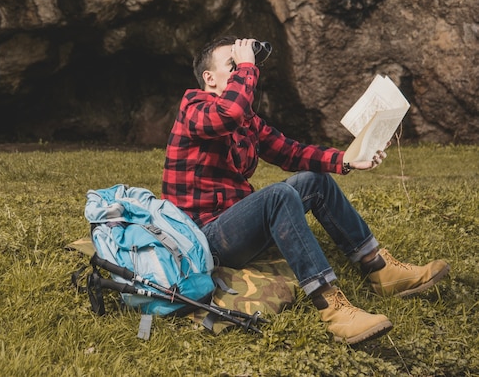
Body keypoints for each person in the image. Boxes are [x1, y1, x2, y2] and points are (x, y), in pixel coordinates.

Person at [161, 35, 450, 344]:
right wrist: (248, 65)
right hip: (202, 239)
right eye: (232, 65)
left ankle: (378, 267)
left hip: (234, 227)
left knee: (315, 179)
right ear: (209, 78)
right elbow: (227, 113)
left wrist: (347, 159)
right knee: (278, 196)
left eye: (243, 65)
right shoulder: (193, 106)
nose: (243, 70)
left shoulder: (247, 122)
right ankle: (331, 306)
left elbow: (291, 152)